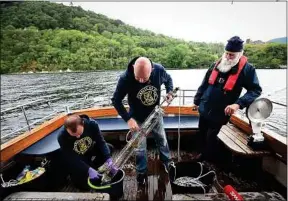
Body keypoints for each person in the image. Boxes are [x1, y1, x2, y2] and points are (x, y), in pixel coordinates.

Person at [192, 36, 262, 162]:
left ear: (240, 54)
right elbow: (204, 84)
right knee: (201, 133)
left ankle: (209, 162)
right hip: (205, 106)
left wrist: (238, 104)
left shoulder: (248, 69)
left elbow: (255, 90)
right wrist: (197, 101)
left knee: (211, 136)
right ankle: (202, 157)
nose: (229, 57)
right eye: (227, 54)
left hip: (221, 111)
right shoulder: (216, 64)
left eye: (232, 55)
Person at [111, 56, 175, 186]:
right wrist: (128, 119)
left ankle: (166, 161)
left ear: (152, 70)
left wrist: (170, 93)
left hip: (155, 114)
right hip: (137, 118)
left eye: (144, 79)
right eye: (137, 78)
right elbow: (116, 100)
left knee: (162, 139)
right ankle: (141, 172)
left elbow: (168, 80)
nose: (140, 81)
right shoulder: (125, 78)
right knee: (140, 148)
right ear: (133, 69)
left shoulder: (159, 70)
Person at [57, 114, 117, 189]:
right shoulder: (62, 136)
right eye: (74, 135)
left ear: (83, 123)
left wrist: (108, 158)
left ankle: (95, 167)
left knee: (109, 148)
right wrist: (87, 169)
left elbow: (101, 142)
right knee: (83, 186)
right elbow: (71, 157)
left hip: (90, 150)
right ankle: (90, 168)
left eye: (79, 133)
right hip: (77, 157)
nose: (78, 137)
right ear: (66, 129)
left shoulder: (92, 124)